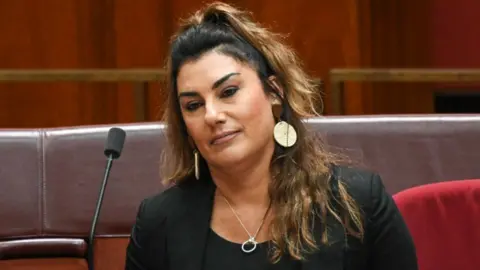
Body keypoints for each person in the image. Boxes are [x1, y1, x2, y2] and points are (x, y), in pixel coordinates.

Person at [125, 2, 418, 270]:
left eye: (228, 92)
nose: (211, 115)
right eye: (193, 105)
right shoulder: (158, 223)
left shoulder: (357, 202)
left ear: (274, 92)